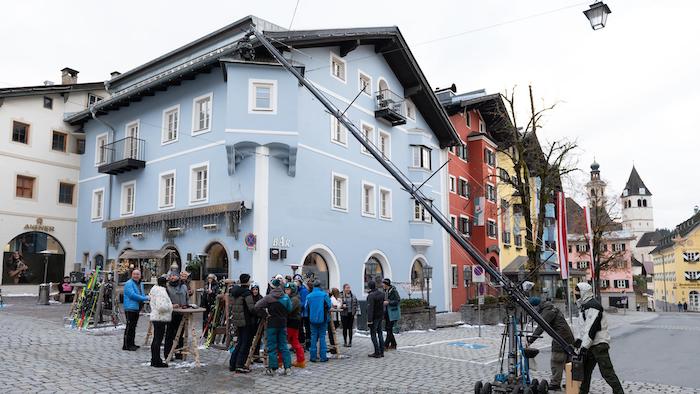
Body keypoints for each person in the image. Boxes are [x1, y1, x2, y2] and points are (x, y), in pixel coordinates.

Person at [574, 282, 624, 394]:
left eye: (578, 293)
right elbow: (583, 328)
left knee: (607, 373)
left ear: (584, 293)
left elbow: (591, 328)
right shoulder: (584, 306)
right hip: (591, 345)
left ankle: (619, 392)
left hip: (599, 345)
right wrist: (578, 342)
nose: (576, 296)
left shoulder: (593, 306)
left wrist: (584, 347)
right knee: (585, 373)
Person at [526, 297, 575, 391]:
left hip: (560, 338)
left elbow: (541, 326)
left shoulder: (547, 311)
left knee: (557, 359)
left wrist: (530, 340)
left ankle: (555, 383)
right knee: (568, 361)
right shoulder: (549, 307)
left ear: (536, 306)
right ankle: (572, 382)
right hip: (567, 337)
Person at [255, 278, 293, 375]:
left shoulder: (268, 297)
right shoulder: (286, 297)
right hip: (283, 323)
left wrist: (265, 314)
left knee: (272, 346)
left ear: (272, 287)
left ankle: (273, 368)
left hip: (272, 324)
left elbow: (257, 306)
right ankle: (287, 368)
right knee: (283, 345)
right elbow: (290, 309)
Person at [228, 274, 256, 373]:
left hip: (238, 320)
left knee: (240, 342)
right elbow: (251, 308)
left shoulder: (235, 292)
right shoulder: (246, 293)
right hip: (246, 321)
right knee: (245, 343)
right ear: (247, 282)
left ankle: (233, 364)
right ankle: (239, 365)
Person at [149, 275, 173, 368]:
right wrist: (170, 306)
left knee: (156, 339)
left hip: (157, 317)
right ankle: (156, 360)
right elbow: (161, 306)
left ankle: (154, 359)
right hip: (160, 317)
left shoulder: (155, 289)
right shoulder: (161, 291)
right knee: (157, 340)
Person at [305, 279, 331, 363]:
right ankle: (323, 356)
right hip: (323, 318)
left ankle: (313, 357)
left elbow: (306, 307)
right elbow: (329, 305)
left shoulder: (309, 296)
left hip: (312, 319)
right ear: (320, 286)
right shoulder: (324, 295)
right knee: (322, 336)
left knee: (313, 336)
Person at [164, 272, 188, 361]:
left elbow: (186, 297)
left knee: (180, 334)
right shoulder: (167, 287)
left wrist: (186, 305)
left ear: (178, 277)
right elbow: (165, 299)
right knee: (170, 334)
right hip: (171, 313)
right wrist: (172, 305)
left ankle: (179, 353)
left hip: (181, 313)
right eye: (171, 276)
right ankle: (168, 354)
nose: (172, 277)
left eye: (174, 275)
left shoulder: (184, 286)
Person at [123, 269, 149, 351]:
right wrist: (145, 298)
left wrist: (145, 298)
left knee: (133, 327)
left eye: (137, 274)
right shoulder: (129, 283)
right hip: (130, 308)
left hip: (136, 308)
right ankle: (126, 345)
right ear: (131, 275)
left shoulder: (140, 283)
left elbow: (142, 293)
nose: (136, 275)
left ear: (140, 275)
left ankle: (132, 343)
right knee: (129, 327)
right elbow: (132, 295)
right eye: (134, 274)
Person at [283, 282, 306, 368]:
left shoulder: (294, 299)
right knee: (294, 342)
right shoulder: (290, 298)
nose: (286, 291)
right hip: (291, 321)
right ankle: (301, 360)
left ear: (292, 290)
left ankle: (284, 361)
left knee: (287, 342)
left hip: (292, 322)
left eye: (288, 289)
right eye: (285, 289)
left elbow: (289, 309)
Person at [366, 280, 385, 358]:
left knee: (373, 334)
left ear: (369, 287)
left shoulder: (371, 295)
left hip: (374, 317)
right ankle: (382, 351)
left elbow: (370, 309)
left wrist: (369, 320)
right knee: (380, 333)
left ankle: (377, 352)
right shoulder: (381, 294)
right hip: (380, 316)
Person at [382, 278, 400, 350]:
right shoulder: (385, 291)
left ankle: (385, 345)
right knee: (388, 328)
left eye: (383, 283)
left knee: (389, 328)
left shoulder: (393, 291)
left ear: (386, 284)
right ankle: (393, 344)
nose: (382, 285)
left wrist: (389, 302)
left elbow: (397, 300)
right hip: (387, 312)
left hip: (392, 312)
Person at [249, 283, 264, 363]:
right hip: (251, 322)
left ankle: (256, 355)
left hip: (258, 321)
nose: (255, 291)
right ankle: (249, 356)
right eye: (253, 289)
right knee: (250, 339)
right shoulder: (249, 298)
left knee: (258, 339)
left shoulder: (260, 298)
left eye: (256, 289)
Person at [295, 275, 309, 349]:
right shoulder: (296, 290)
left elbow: (304, 302)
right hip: (297, 312)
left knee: (301, 329)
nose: (295, 282)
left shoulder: (304, 290)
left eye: (296, 281)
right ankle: (297, 343)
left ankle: (303, 344)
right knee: (297, 329)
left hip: (302, 313)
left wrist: (296, 306)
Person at [328, 288, 342, 353]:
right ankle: (334, 347)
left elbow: (335, 306)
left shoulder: (332, 299)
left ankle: (333, 348)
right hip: (337, 318)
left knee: (331, 333)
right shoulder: (339, 299)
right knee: (332, 333)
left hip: (332, 318)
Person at [301, 279, 313, 350]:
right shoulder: (309, 292)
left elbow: (306, 304)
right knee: (308, 329)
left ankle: (308, 343)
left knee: (307, 329)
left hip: (307, 313)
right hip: (309, 313)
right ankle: (309, 343)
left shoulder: (307, 293)